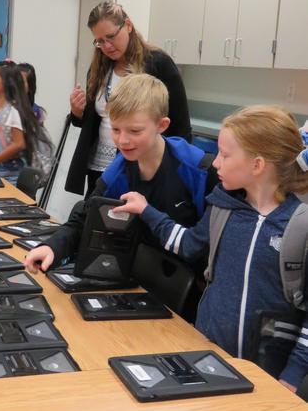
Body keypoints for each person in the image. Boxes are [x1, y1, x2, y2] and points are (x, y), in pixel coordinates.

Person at [110, 105, 308, 393]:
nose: (215, 163)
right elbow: (188, 245)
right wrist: (147, 211)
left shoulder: (300, 225)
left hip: (270, 373)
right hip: (209, 354)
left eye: (225, 155)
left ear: (257, 165)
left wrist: (292, 375)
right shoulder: (222, 207)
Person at [25, 74, 217, 317]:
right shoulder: (119, 169)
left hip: (191, 299)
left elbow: (210, 244)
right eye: (115, 129)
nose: (123, 140)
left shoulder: (198, 169)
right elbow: (84, 217)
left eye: (135, 131)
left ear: (162, 125)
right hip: (139, 285)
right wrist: (52, 247)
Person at [66, 1, 192, 197]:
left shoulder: (158, 63)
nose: (106, 46)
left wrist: (173, 173)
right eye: (99, 41)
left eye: (111, 37)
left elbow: (181, 125)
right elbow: (94, 119)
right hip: (99, 166)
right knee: (95, 220)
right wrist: (77, 112)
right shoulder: (100, 67)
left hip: (141, 166)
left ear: (128, 26)